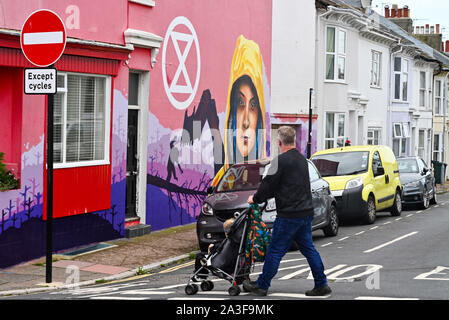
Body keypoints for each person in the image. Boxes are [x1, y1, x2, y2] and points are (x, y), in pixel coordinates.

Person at [243, 126, 331, 297]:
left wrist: (255, 198)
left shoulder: (280, 161)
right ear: (294, 140)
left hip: (288, 215)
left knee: (275, 250)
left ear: (279, 142)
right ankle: (321, 284)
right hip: (305, 213)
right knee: (309, 249)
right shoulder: (302, 160)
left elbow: (268, 185)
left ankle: (262, 285)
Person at [211, 35, 267, 187]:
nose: (246, 121)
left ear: (260, 118)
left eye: (253, 105)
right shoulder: (219, 183)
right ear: (231, 113)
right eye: (240, 103)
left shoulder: (267, 179)